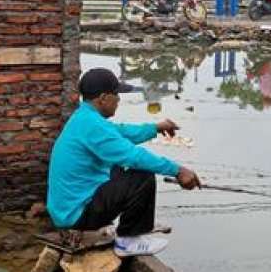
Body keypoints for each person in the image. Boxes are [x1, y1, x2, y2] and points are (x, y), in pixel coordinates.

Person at [47, 68, 201, 257]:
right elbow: (134, 156)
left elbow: (122, 132)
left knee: (121, 167)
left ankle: (137, 227)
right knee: (141, 175)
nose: (119, 100)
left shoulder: (84, 117)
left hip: (67, 209)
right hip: (76, 215)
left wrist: (155, 128)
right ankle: (128, 240)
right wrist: (178, 170)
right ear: (103, 98)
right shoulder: (92, 125)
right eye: (117, 95)